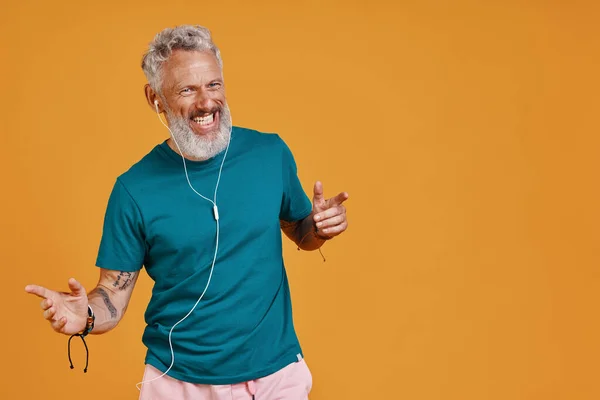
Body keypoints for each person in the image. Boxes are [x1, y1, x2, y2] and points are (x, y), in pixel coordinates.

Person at [24, 24, 349, 400]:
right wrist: (88, 315)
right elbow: (113, 294)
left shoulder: (270, 153)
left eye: (213, 85)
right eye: (187, 89)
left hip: (277, 373)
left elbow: (301, 233)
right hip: (179, 383)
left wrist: (320, 227)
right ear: (155, 98)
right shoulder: (134, 190)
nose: (206, 102)